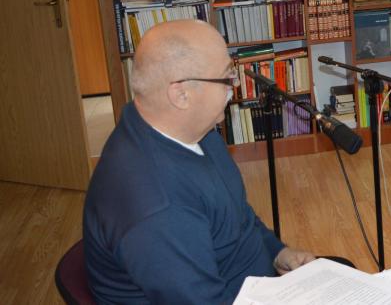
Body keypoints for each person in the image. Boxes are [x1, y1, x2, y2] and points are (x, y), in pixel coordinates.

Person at [84, 20, 317, 303]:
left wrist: (277, 251)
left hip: (256, 284)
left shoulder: (194, 131)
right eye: (226, 78)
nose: (235, 87)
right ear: (181, 94)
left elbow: (237, 214)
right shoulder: (157, 207)